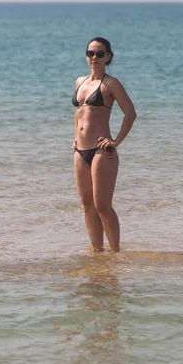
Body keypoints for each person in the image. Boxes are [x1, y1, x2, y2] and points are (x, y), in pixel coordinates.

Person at [72, 37, 137, 252]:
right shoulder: (80, 81)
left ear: (108, 57)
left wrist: (116, 140)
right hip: (80, 151)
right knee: (87, 204)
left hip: (102, 151)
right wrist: (75, 137)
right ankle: (97, 253)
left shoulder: (111, 83)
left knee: (102, 205)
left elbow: (130, 113)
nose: (94, 57)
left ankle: (115, 252)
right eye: (91, 53)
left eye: (100, 54)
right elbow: (79, 113)